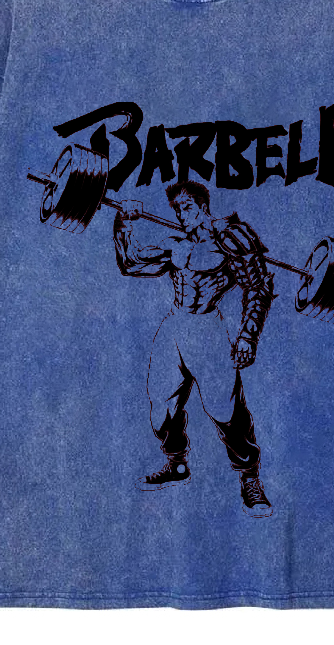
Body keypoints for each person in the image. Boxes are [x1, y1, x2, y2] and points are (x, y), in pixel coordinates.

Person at [114, 180, 276, 517]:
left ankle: (250, 478)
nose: (181, 215)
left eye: (186, 207)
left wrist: (247, 336)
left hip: (207, 330)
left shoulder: (232, 238)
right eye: (176, 209)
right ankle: (176, 463)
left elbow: (258, 286)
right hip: (174, 326)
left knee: (225, 411)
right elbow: (131, 263)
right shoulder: (176, 243)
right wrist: (123, 223)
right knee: (160, 408)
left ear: (203, 206)